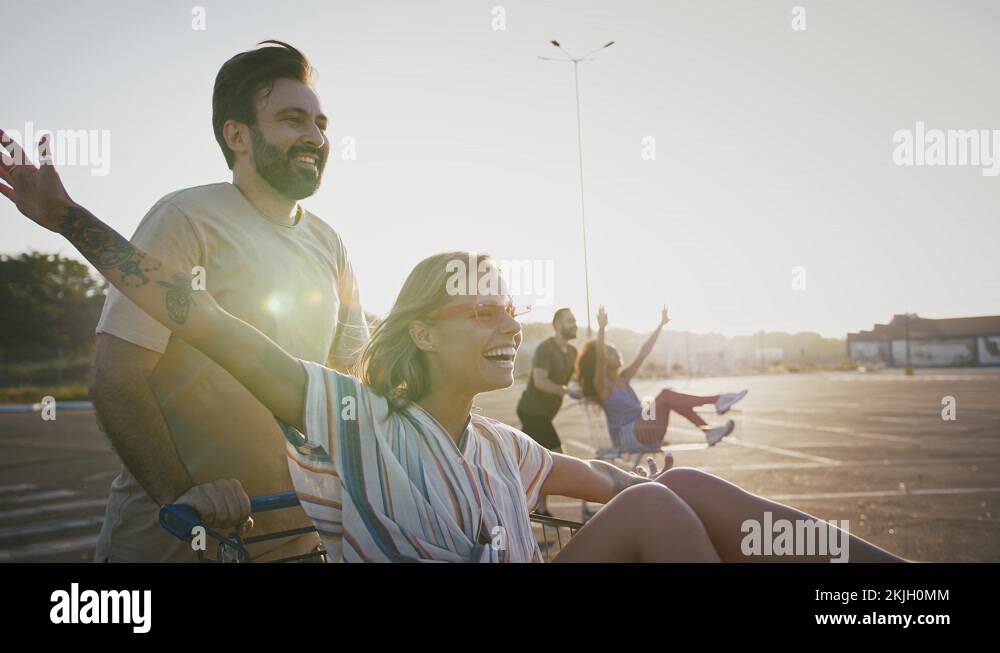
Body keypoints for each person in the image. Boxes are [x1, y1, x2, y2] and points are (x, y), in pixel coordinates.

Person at [0, 143, 905, 562]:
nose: (510, 322)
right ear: (423, 330)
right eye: (485, 308)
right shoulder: (345, 416)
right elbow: (196, 316)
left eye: (510, 305)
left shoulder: (502, 450)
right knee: (662, 518)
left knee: (690, 494)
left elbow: (629, 487)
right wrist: (68, 218)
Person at [86, 41, 370, 561]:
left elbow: (349, 383)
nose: (315, 136)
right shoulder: (184, 218)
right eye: (292, 120)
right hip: (175, 544)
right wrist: (180, 495)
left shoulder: (330, 243)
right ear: (237, 135)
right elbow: (116, 377)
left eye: (320, 122)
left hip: (301, 542)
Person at [576, 306, 748, 451]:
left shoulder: (623, 378)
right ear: (604, 361)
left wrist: (661, 325)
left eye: (615, 350)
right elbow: (598, 359)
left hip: (645, 428)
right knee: (665, 395)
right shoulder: (602, 385)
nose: (617, 353)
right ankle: (718, 400)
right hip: (628, 436)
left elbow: (644, 353)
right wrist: (601, 328)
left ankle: (709, 430)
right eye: (611, 353)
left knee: (665, 397)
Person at [515, 308, 578, 515]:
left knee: (528, 460)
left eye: (574, 320)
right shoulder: (545, 348)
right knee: (554, 455)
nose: (574, 324)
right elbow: (541, 382)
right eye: (569, 321)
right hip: (532, 411)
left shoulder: (572, 353)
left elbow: (572, 381)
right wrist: (567, 390)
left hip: (547, 413)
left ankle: (537, 505)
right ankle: (535, 505)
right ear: (557, 325)